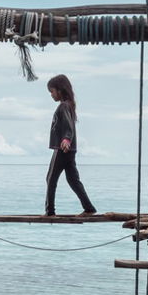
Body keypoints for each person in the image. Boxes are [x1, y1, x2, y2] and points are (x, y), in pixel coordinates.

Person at [44, 74, 97, 217]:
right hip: (70, 151)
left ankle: (50, 212)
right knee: (73, 180)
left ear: (60, 90)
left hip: (63, 149)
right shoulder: (69, 106)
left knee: (51, 178)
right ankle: (89, 208)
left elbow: (69, 126)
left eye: (52, 91)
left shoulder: (63, 107)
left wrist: (66, 139)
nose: (51, 95)